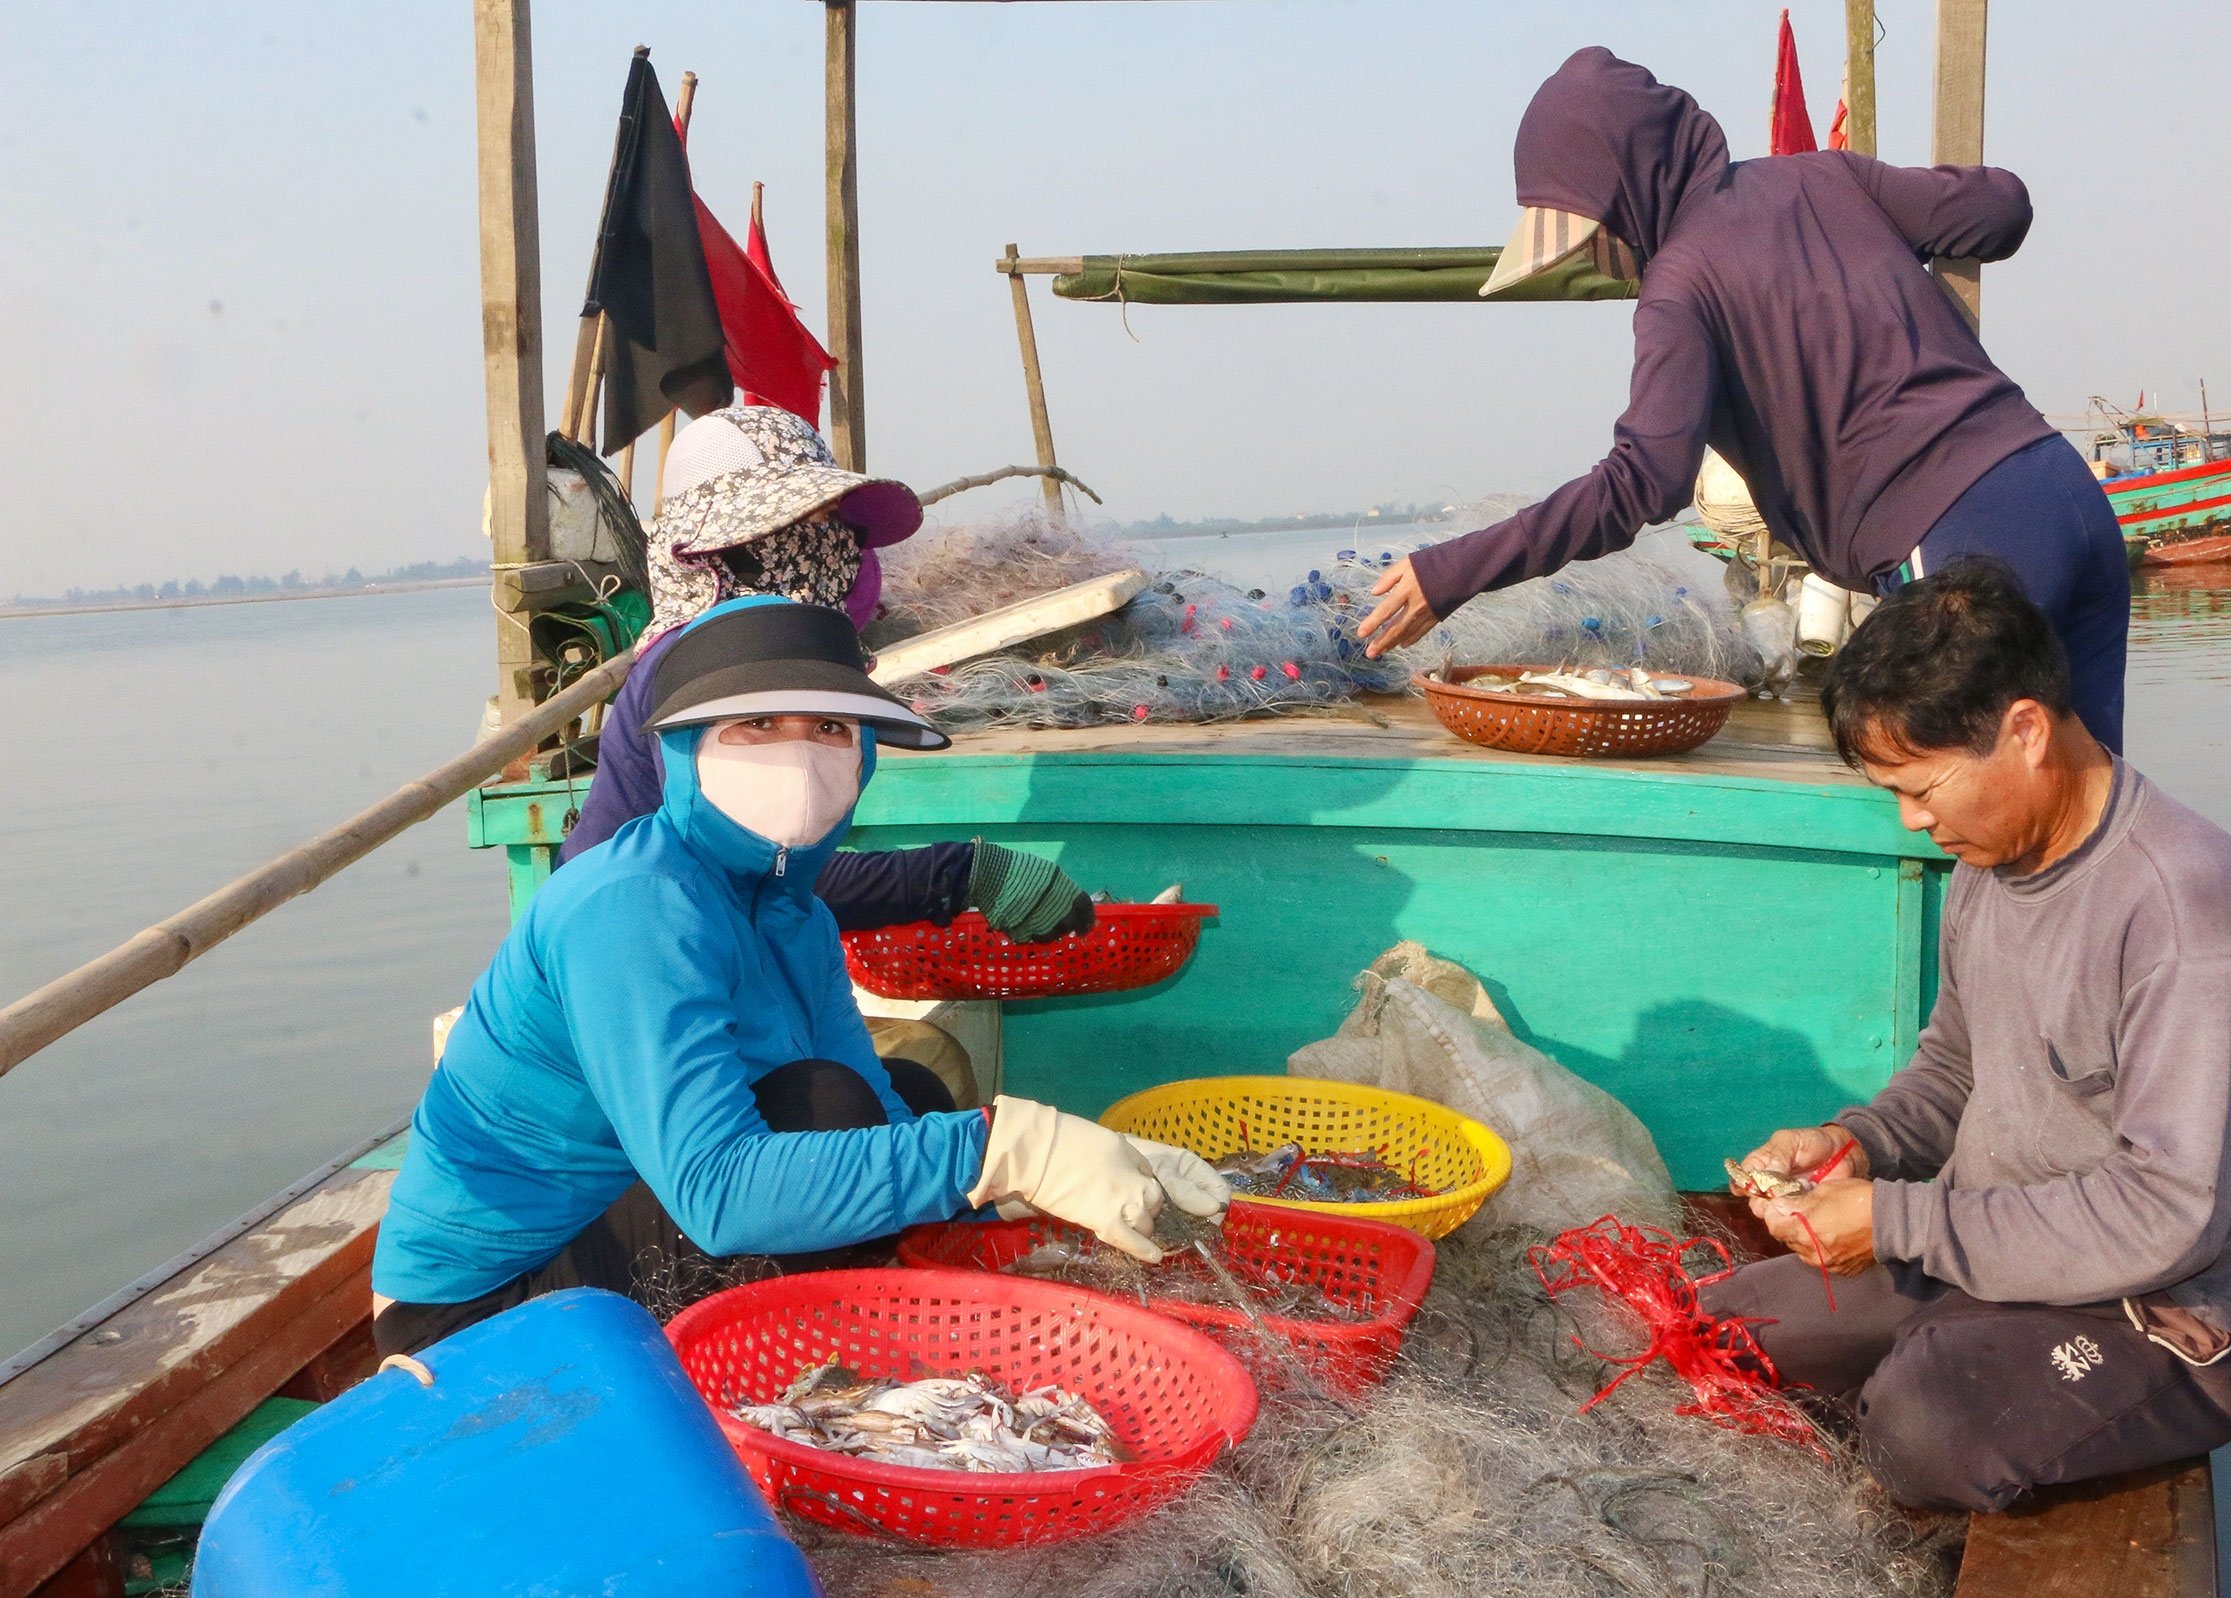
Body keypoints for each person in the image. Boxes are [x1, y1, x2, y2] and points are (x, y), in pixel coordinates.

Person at [371, 599, 1226, 1355]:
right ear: (680, 752)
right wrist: (1013, 1151)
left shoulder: (796, 910)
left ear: (863, 757)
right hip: (481, 1312)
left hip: (620, 1215)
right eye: (754, 727)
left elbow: (878, 1108)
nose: (798, 757)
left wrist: (1028, 1181)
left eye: (828, 730)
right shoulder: (629, 904)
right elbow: (718, 1194)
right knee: (829, 1109)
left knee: (908, 1092)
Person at [1701, 558, 2231, 1511]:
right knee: (1730, 1327)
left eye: (1922, 786)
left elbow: (2168, 1215)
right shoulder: (1991, 859)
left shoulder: (2190, 920)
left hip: (2163, 1318)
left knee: (1922, 1420)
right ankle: (1944, 1366)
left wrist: (1896, 1222)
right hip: (1995, 1254)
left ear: (2025, 732)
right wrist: (1858, 1144)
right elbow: (1953, 1069)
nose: (1911, 819)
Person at [1355, 47, 2132, 753]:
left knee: (1955, 808)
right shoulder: (1823, 178)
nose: (1595, 252)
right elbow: (2002, 210)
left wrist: (1453, 570)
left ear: (1627, 194)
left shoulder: (1677, 290)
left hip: (1961, 541)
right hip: (2065, 492)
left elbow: (1643, 482)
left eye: (1594, 228)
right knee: (2095, 800)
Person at [568, 404, 1092, 941]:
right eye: (806, 523)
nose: (831, 543)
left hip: (716, 937)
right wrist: (962, 874)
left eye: (833, 520)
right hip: (626, 938)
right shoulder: (704, 660)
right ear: (722, 546)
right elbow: (768, 871)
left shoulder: (775, 651)